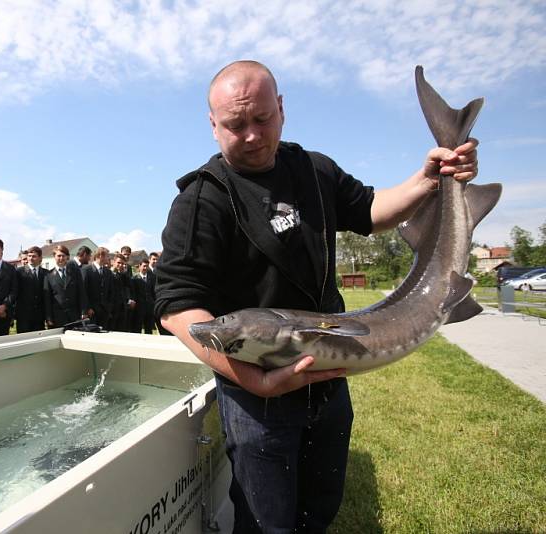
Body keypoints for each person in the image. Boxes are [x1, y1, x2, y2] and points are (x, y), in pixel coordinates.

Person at [154, 60, 479, 533]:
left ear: (281, 109)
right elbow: (178, 309)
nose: (250, 135)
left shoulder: (312, 168)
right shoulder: (200, 201)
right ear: (212, 125)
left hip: (328, 380)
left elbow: (371, 210)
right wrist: (253, 381)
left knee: (319, 510)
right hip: (255, 395)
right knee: (268, 525)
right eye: (234, 125)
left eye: (261, 119)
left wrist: (430, 177)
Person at [44, 245, 88, 328]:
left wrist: (84, 311)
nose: (61, 258)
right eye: (58, 256)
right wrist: (48, 317)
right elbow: (47, 299)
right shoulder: (48, 275)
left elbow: (81, 293)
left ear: (67, 257)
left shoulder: (75, 273)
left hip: (74, 315)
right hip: (57, 317)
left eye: (63, 256)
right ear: (54, 257)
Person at [15, 246, 46, 333]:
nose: (31, 258)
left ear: (40, 258)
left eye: (34, 256)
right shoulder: (18, 272)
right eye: (29, 256)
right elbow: (15, 293)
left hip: (40, 317)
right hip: (23, 317)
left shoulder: (46, 273)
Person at [82, 247, 113, 329]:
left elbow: (110, 291)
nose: (108, 258)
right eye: (107, 256)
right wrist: (87, 308)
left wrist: (108, 307)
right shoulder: (86, 270)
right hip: (92, 311)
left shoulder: (108, 272)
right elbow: (83, 291)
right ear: (100, 256)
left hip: (104, 311)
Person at [132, 259, 155, 334]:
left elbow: (153, 292)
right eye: (144, 266)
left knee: (149, 329)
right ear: (139, 266)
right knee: (137, 328)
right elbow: (134, 293)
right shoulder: (134, 278)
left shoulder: (152, 278)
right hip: (139, 308)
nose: (145, 268)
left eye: (147, 266)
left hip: (149, 308)